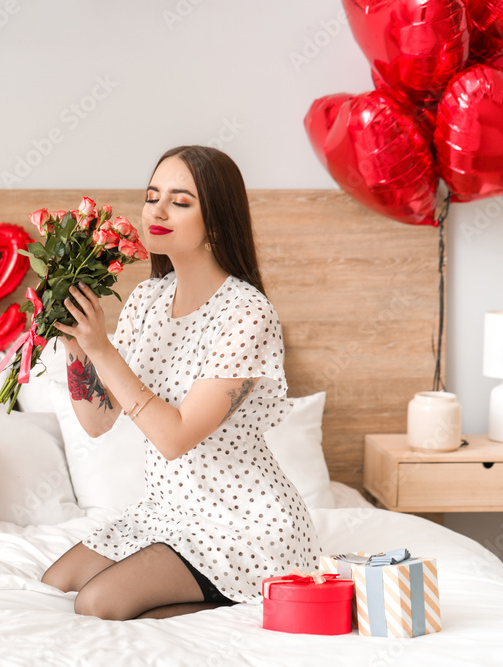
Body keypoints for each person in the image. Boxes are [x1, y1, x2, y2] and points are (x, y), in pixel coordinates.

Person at [40, 145, 322, 620]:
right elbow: (97, 422)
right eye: (153, 197)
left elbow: (174, 437)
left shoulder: (246, 314)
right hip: (166, 513)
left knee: (97, 604)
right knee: (57, 585)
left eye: (180, 201)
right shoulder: (148, 299)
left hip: (242, 523)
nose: (158, 211)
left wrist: (103, 349)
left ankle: (239, 605)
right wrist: (75, 342)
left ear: (216, 222)